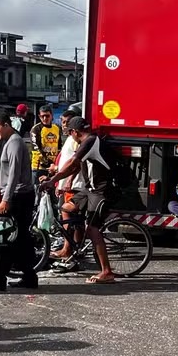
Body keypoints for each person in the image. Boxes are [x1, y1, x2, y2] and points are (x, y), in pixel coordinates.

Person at [41, 116, 116, 284]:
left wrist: (52, 181)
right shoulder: (86, 142)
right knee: (66, 209)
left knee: (93, 229)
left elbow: (72, 162)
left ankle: (107, 272)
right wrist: (55, 179)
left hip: (101, 191)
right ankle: (71, 248)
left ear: (75, 132)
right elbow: (74, 167)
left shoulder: (90, 141)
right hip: (88, 191)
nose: (70, 136)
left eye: (70, 133)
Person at [0, 109, 38, 291]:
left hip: (18, 196)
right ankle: (28, 277)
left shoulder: (15, 143)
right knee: (20, 239)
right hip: (16, 195)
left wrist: (5, 199)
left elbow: (14, 175)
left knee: (4, 237)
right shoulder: (7, 141)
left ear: (6, 125)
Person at [49, 109, 80, 260]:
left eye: (67, 122)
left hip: (73, 185)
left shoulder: (76, 139)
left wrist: (67, 181)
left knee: (67, 215)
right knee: (73, 219)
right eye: (62, 121)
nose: (64, 125)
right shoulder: (69, 138)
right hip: (65, 184)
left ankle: (68, 249)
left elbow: (76, 162)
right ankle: (72, 248)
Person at [30, 104, 63, 186]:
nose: (45, 119)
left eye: (47, 116)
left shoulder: (57, 128)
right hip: (39, 167)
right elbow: (36, 149)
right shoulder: (36, 129)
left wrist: (56, 164)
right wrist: (49, 163)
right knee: (39, 194)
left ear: (51, 115)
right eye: (42, 116)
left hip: (53, 167)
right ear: (39, 116)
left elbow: (59, 147)